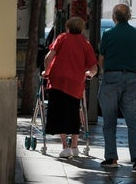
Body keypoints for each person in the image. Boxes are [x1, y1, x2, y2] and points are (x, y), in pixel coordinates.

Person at [98, 4, 136, 170]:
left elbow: (101, 60)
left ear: (114, 17)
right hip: (132, 77)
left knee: (109, 120)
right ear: (129, 17)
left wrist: (107, 73)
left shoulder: (108, 34)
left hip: (112, 77)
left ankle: (111, 159)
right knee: (133, 119)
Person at [42, 17, 98, 158]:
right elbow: (94, 67)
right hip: (75, 84)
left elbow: (49, 57)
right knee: (74, 112)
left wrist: (46, 71)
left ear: (68, 27)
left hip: (57, 81)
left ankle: (65, 147)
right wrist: (89, 74)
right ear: (81, 29)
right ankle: (74, 146)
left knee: (59, 112)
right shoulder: (86, 44)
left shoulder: (62, 38)